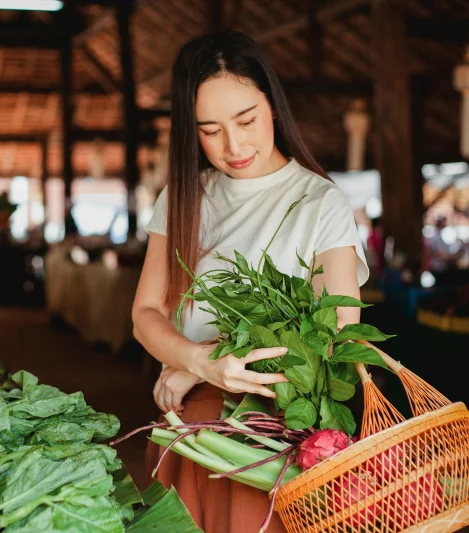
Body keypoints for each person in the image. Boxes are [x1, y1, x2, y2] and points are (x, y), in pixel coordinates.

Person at [132, 30, 368, 533]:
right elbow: (145, 314)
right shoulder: (183, 196)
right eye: (210, 130)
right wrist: (195, 361)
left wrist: (202, 365)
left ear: (273, 106)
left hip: (272, 433)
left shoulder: (318, 203)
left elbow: (335, 335)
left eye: (246, 120)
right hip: (187, 426)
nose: (233, 145)